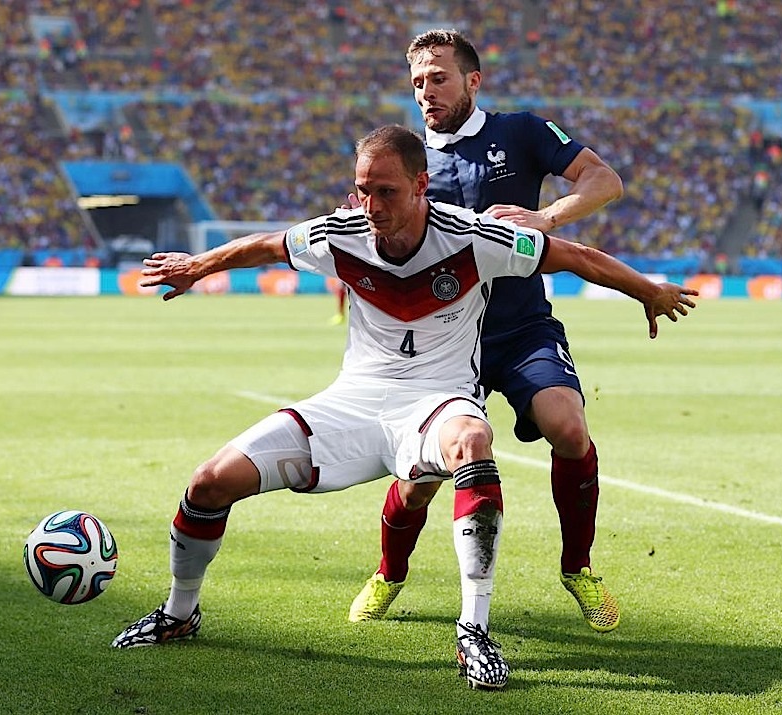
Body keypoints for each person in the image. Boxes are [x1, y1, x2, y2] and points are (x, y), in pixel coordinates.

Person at [110, 124, 697, 691]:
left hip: (437, 401)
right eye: (362, 190)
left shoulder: (474, 237)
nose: (371, 205)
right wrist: (196, 267)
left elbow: (575, 256)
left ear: (421, 185)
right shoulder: (338, 235)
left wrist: (648, 291)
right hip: (352, 404)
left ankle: (474, 630)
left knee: (473, 442)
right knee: (209, 482)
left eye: (386, 191)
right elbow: (268, 245)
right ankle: (180, 613)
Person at [348, 29, 628, 632]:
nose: (426, 91)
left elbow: (604, 180)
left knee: (569, 427)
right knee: (420, 482)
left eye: (439, 78)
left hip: (522, 328)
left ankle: (578, 568)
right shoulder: (406, 161)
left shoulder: (521, 132)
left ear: (473, 81)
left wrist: (545, 216)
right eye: (418, 81)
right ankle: (389, 572)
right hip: (444, 346)